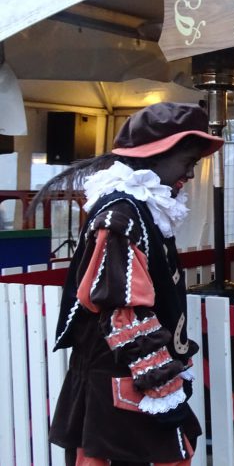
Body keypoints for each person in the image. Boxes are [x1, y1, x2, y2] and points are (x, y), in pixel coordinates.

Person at [32, 102, 224, 466]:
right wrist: (161, 384)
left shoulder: (140, 211)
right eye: (189, 162)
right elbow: (123, 309)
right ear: (156, 155)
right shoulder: (122, 216)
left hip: (125, 375)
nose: (191, 174)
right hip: (120, 377)